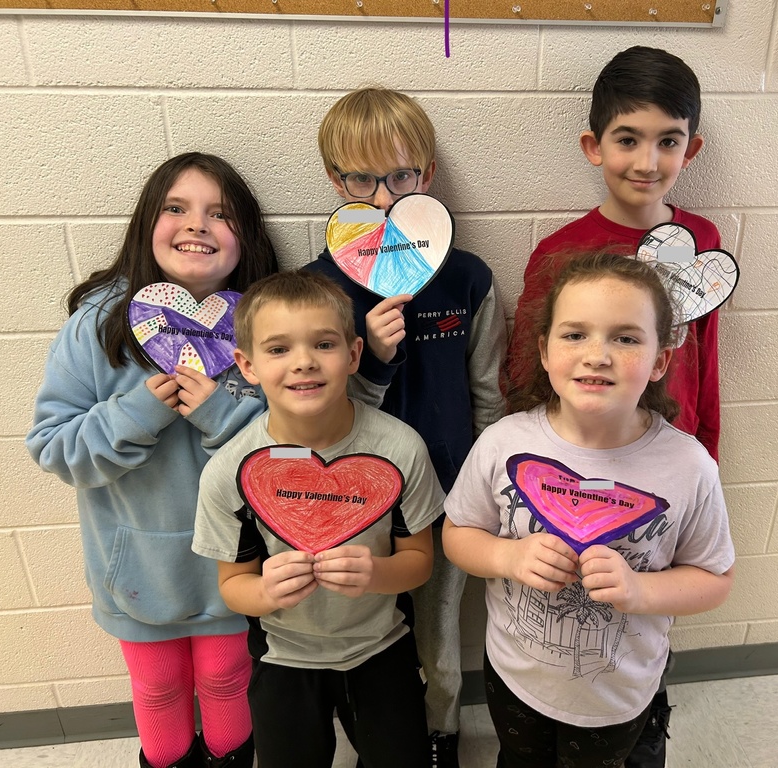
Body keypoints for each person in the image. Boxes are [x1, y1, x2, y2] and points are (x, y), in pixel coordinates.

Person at [504, 47, 720, 766]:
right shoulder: (561, 252)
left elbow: (703, 361)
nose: (648, 160)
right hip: (572, 471)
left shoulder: (704, 246)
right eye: (628, 138)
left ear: (693, 148)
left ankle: (640, 717)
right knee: (566, 603)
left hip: (664, 471)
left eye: (669, 140)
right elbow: (525, 371)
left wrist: (706, 450)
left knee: (640, 613)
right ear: (595, 146)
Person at [26, 153, 279, 768]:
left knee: (227, 680)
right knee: (160, 688)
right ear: (148, 222)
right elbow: (53, 447)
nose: (197, 225)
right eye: (176, 208)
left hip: (234, 571)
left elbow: (294, 454)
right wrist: (136, 413)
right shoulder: (96, 326)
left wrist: (223, 414)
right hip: (135, 575)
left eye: (220, 214)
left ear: (246, 238)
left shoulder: (268, 324)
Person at [444, 252, 735, 768]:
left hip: (618, 698)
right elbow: (459, 534)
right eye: (575, 335)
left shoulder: (689, 466)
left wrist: (641, 589)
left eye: (625, 338)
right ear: (546, 351)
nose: (596, 355)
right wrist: (508, 559)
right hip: (515, 678)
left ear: (659, 361)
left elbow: (713, 579)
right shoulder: (501, 443)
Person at [303, 86, 507, 768]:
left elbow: (488, 399)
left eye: (400, 176)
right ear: (336, 180)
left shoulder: (469, 280)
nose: (385, 197)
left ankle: (441, 737)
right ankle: (383, 741)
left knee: (439, 642)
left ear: (427, 175)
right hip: (353, 500)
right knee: (364, 634)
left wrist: (485, 493)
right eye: (362, 179)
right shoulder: (318, 288)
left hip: (446, 498)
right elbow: (306, 411)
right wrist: (372, 356)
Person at [191, 269, 444, 768]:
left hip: (382, 647)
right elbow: (232, 585)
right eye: (279, 349)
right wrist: (264, 591)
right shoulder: (231, 471)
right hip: (283, 656)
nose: (304, 362)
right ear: (247, 364)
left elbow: (419, 561)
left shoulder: (400, 448)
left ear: (353, 355)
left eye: (323, 344)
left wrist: (376, 573)